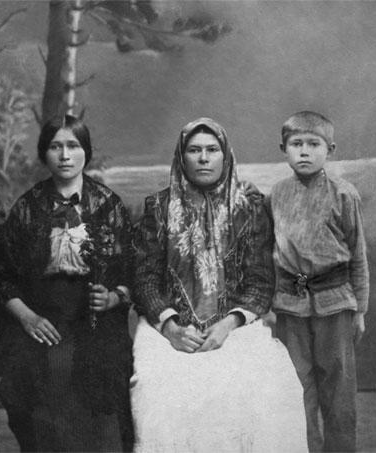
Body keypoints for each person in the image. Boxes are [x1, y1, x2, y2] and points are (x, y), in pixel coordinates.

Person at [130, 118, 307, 452]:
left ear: (225, 156)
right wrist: (170, 327)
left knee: (269, 386)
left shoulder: (249, 207)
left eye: (212, 150)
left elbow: (260, 281)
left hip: (235, 326)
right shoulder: (158, 207)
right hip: (169, 328)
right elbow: (145, 277)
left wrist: (228, 325)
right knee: (156, 389)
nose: (203, 158)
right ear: (181, 157)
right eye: (194, 150)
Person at [0, 115, 133, 452]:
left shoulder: (108, 205)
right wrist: (28, 318)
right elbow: (2, 276)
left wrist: (113, 297)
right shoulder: (27, 208)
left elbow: (131, 272)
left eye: (73, 146)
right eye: (56, 147)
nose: (65, 155)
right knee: (30, 371)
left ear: (86, 152)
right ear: (44, 153)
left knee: (103, 365)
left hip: (94, 317)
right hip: (39, 313)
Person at [270, 111, 368, 452]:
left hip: (336, 303)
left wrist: (360, 309)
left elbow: (358, 255)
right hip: (289, 306)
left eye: (314, 144)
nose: (304, 151)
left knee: (338, 388)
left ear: (330, 149)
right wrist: (270, 305)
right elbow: (271, 252)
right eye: (296, 144)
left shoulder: (344, 194)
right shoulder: (276, 194)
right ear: (283, 149)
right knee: (297, 386)